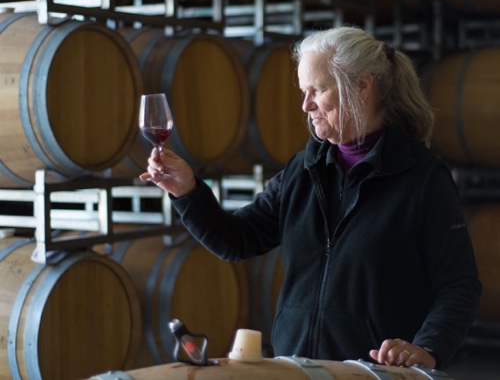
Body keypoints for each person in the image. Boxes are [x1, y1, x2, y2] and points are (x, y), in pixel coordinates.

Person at [140, 26, 481, 370]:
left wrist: (427, 348)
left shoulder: (422, 179)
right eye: (304, 91)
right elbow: (236, 240)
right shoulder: (304, 169)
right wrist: (187, 191)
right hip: (296, 370)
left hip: (371, 373)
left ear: (362, 86)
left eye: (317, 89)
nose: (306, 105)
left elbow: (459, 284)